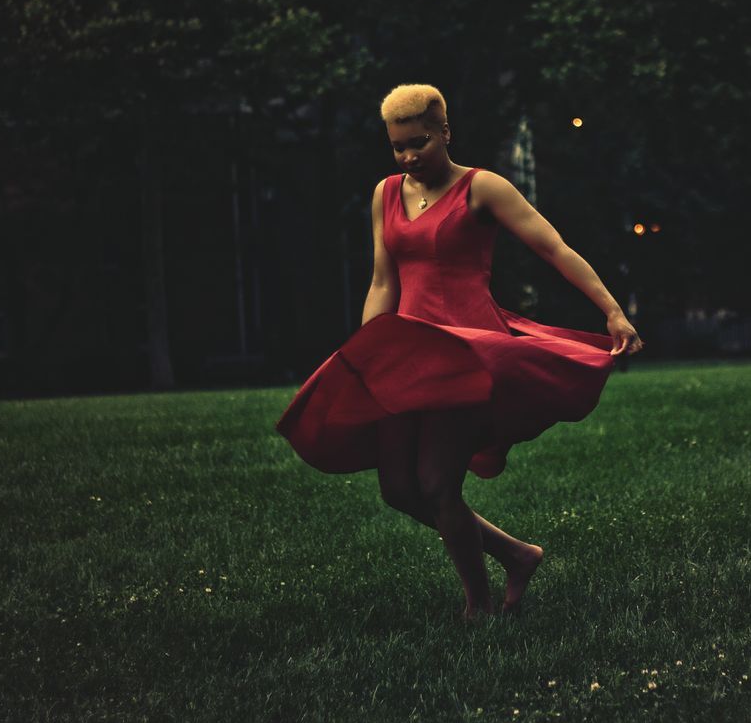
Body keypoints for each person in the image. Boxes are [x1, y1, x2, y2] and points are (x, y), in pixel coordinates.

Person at [275, 84, 642, 622]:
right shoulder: (385, 193)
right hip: (406, 352)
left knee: (435, 484)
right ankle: (517, 556)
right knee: (398, 489)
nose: (407, 156)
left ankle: (478, 606)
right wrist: (367, 353)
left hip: (464, 354)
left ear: (445, 131)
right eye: (397, 146)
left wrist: (612, 310)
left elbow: (552, 246)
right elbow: (383, 280)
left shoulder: (482, 188)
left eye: (418, 142)